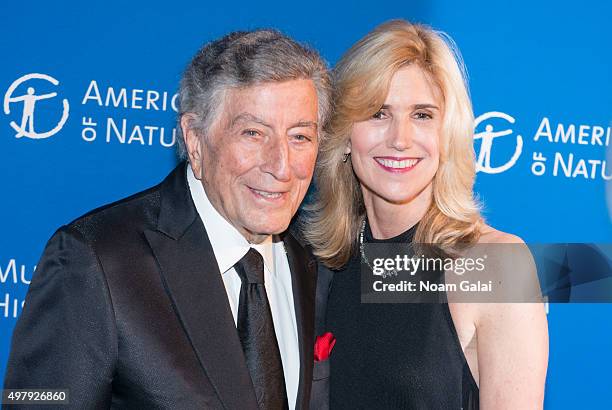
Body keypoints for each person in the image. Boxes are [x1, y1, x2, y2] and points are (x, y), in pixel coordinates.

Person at [4, 29, 331, 410]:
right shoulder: (93, 261)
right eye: (253, 133)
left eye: (300, 137)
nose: (281, 166)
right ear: (194, 139)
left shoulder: (319, 259)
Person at [304, 20, 548, 409]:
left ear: (447, 134)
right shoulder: (314, 260)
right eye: (378, 113)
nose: (400, 139)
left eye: (422, 115)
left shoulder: (496, 265)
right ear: (345, 134)